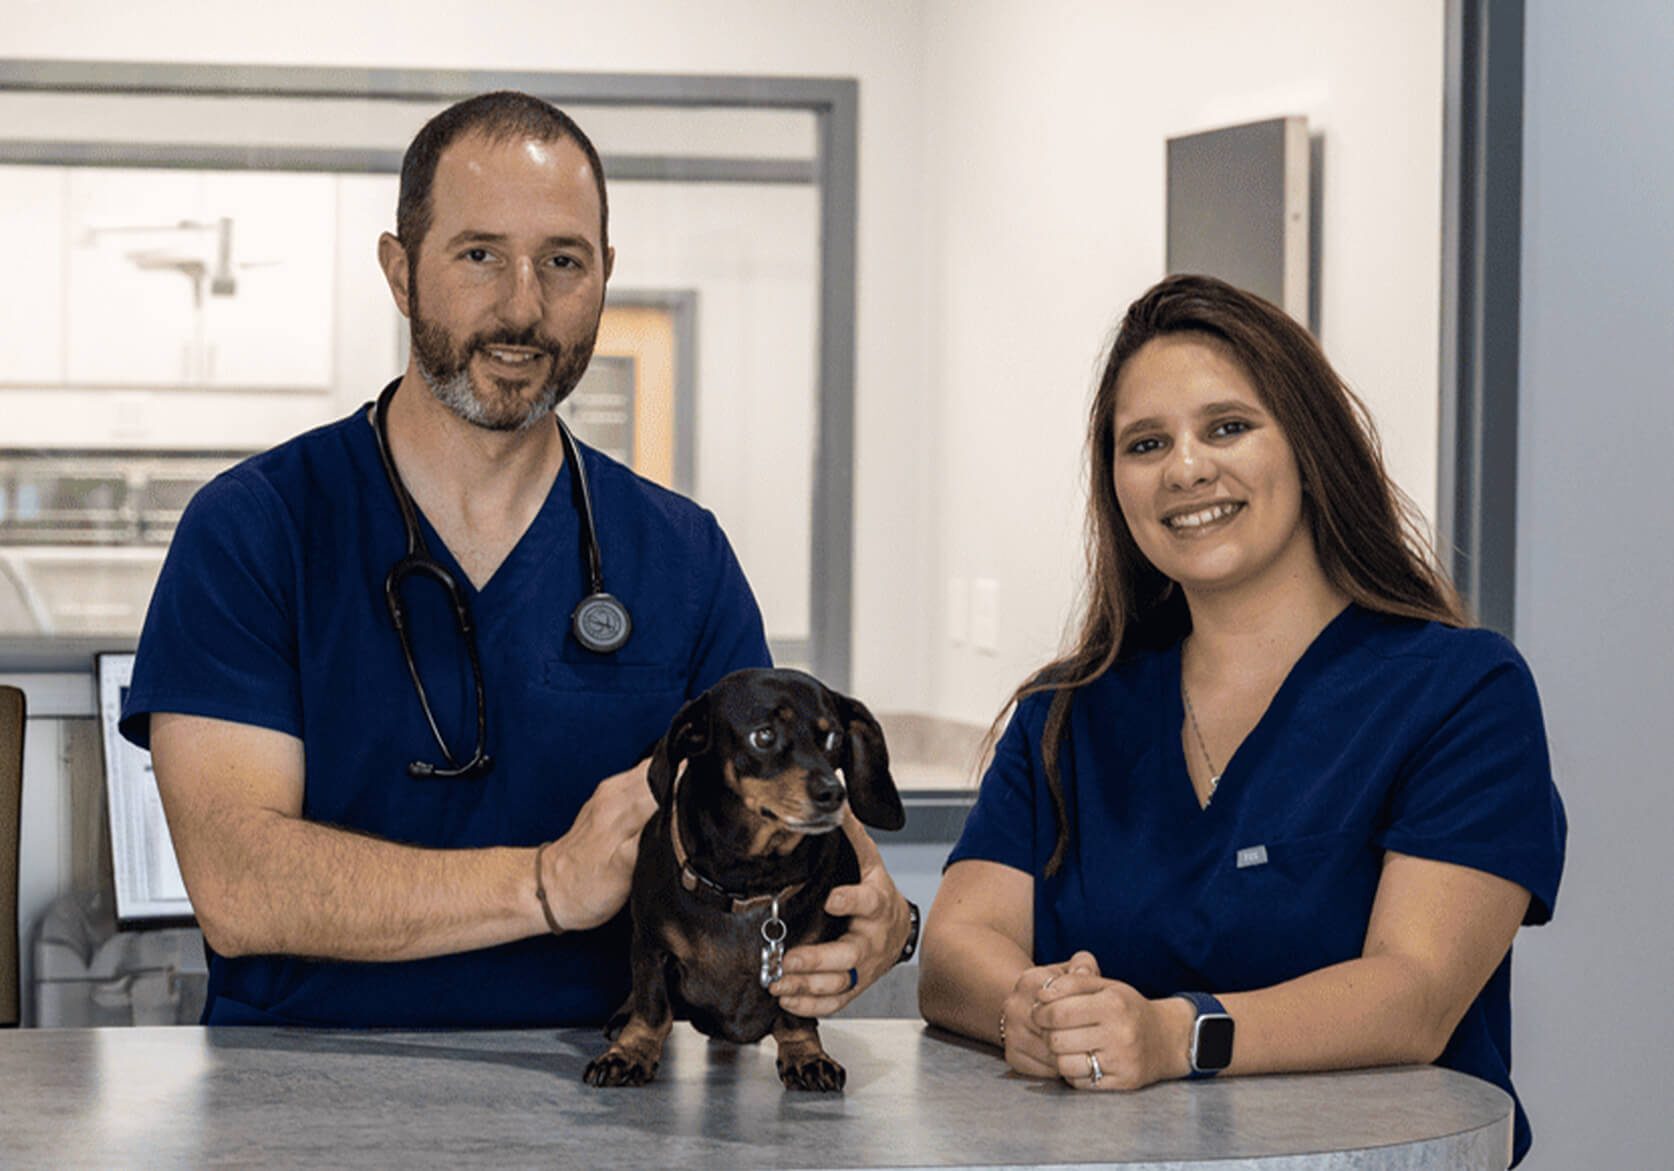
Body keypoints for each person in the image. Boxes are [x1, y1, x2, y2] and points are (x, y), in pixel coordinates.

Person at [119, 91, 914, 1029]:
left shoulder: (680, 556)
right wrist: (543, 883)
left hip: (609, 1088)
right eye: (480, 254)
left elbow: (785, 796)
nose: (523, 307)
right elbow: (239, 886)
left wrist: (880, 921)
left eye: (563, 262)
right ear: (399, 269)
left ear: (605, 276)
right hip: (299, 1094)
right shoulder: (255, 529)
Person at [918, 274, 1564, 1166]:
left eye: (1228, 426)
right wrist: (1025, 1010)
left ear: (1307, 443)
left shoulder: (1460, 692)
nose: (1186, 467)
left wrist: (1177, 1033)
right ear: (1116, 486)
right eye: (1146, 443)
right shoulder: (1067, 714)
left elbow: (1416, 995)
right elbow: (956, 946)